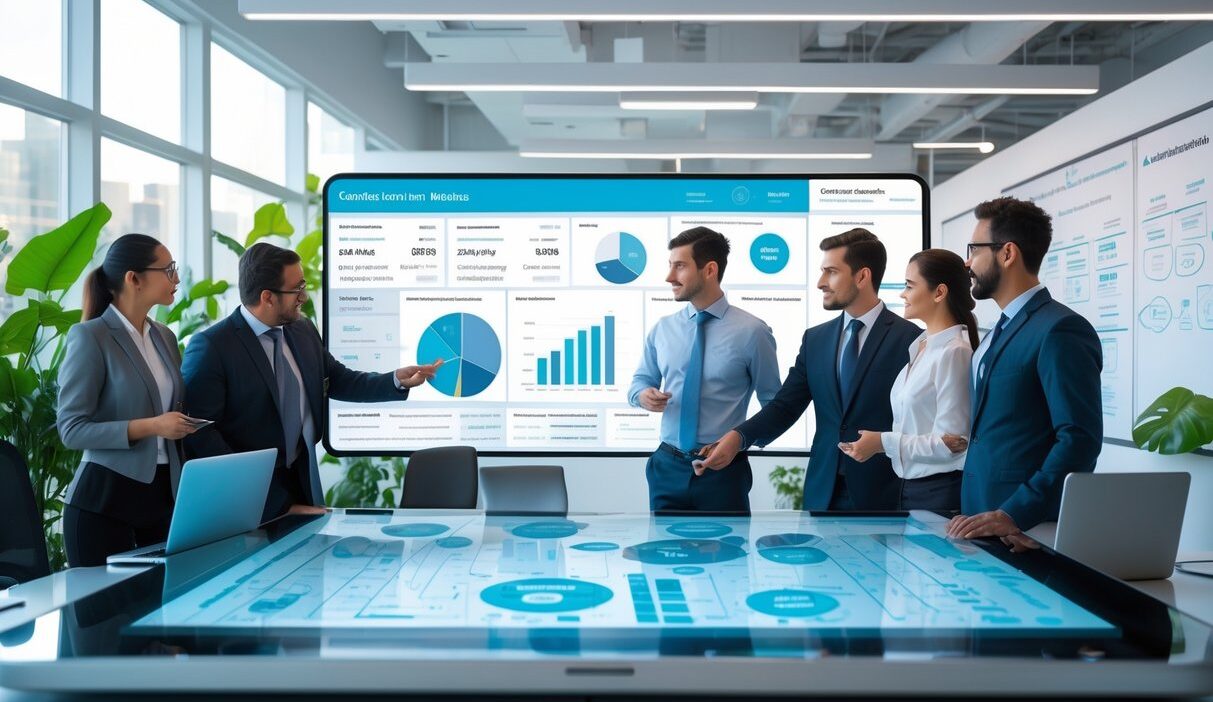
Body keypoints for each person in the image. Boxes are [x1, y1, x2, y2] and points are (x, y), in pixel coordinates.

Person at [182, 243, 441, 522]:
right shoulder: (212, 347)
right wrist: (273, 503)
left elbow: (339, 379)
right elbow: (201, 435)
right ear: (267, 297)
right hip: (246, 495)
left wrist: (396, 380)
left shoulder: (301, 329)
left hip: (301, 479)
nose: (304, 296)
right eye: (297, 289)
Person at [698, 228, 921, 510]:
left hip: (886, 494)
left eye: (831, 272)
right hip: (823, 492)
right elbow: (785, 406)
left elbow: (919, 422)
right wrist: (739, 436)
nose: (820, 283)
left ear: (862, 276)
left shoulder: (910, 339)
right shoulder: (816, 339)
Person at [946, 197, 1102, 541]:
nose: (968, 262)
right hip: (979, 518)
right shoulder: (994, 334)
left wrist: (1016, 512)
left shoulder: (1060, 329)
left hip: (1024, 530)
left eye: (974, 249)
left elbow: (1078, 438)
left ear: (1007, 253)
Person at [57, 234, 199, 566]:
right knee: (107, 616)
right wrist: (153, 426)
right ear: (133, 279)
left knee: (158, 612)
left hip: (163, 499)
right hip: (104, 503)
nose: (176, 278)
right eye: (168, 269)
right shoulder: (91, 337)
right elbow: (72, 429)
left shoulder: (165, 336)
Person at [628, 227, 780, 511]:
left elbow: (775, 405)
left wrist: (741, 440)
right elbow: (638, 382)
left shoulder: (753, 332)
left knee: (729, 556)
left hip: (723, 473)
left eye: (680, 266)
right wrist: (642, 395)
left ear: (709, 269)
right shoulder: (662, 329)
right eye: (669, 265)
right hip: (666, 468)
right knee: (661, 552)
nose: (669, 277)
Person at [838, 249, 977, 511]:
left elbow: (955, 444)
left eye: (909, 286)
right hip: (909, 490)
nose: (903, 294)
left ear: (939, 293)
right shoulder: (920, 346)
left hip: (938, 493)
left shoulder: (954, 352)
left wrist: (882, 443)